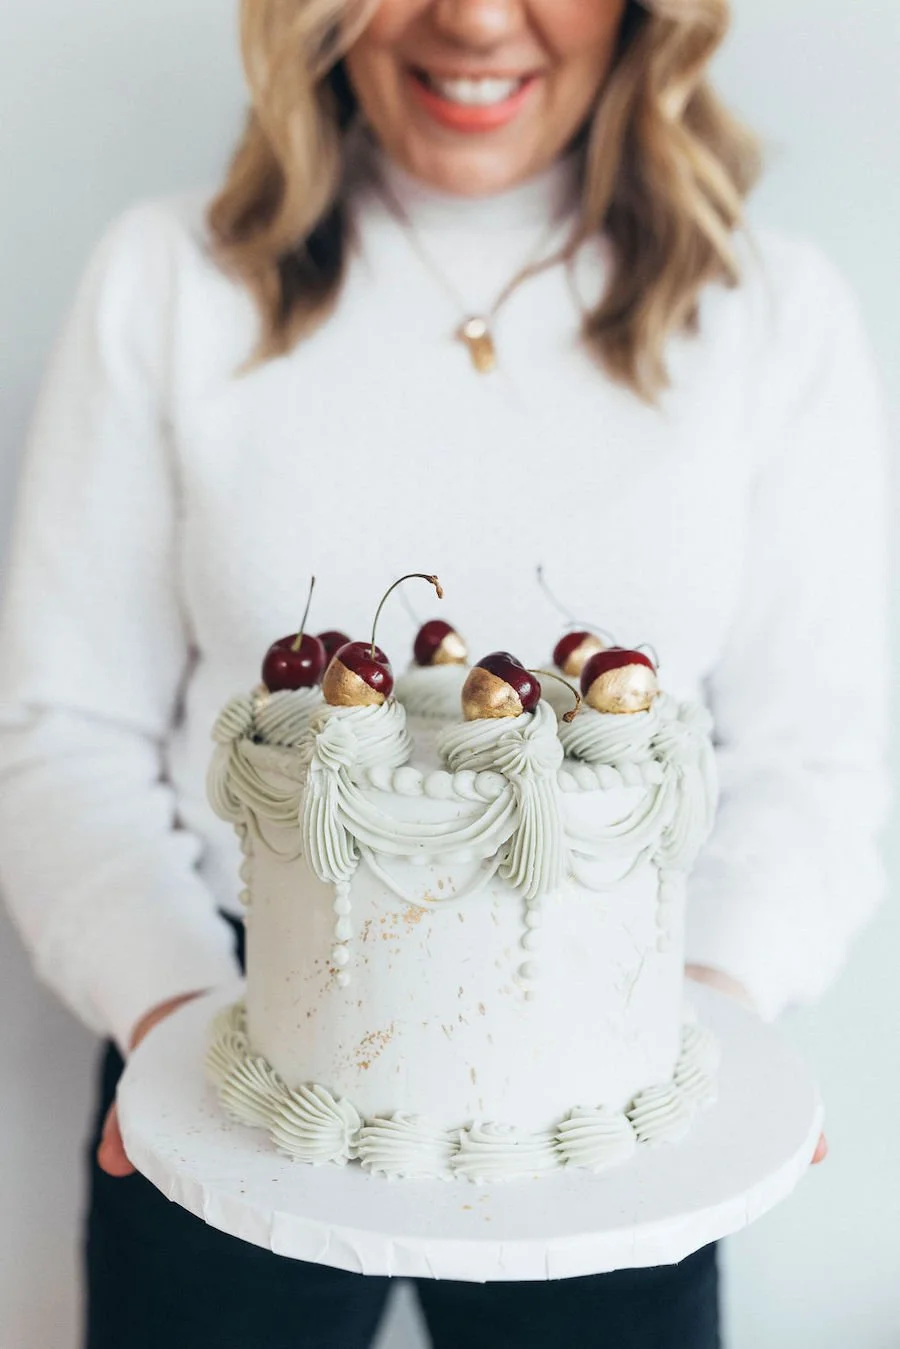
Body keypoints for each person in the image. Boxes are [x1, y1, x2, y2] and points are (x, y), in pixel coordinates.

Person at [0, 0, 887, 1346]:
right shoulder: (169, 277)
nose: (475, 18)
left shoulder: (771, 310)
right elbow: (62, 728)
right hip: (235, 1025)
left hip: (620, 1029)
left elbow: (819, 754)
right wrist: (173, 1010)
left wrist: (701, 1016)